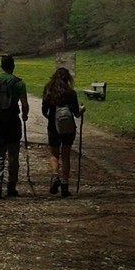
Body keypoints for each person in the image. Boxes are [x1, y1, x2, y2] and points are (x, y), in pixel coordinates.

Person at [0, 54, 29, 199]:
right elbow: (25, 104)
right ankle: (11, 186)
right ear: (13, 66)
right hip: (13, 123)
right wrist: (25, 116)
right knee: (13, 154)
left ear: (2, 66)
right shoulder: (19, 83)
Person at [41, 67, 84, 197]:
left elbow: (44, 111)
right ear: (67, 79)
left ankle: (55, 176)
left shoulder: (49, 90)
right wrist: (82, 110)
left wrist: (51, 118)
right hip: (68, 128)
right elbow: (76, 114)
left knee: (54, 155)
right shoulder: (71, 93)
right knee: (66, 156)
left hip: (53, 127)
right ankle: (65, 185)